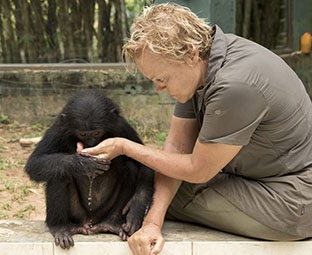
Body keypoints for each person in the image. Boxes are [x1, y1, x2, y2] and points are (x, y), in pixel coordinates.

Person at [81, 3, 312, 255]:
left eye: (162, 79)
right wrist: (152, 224)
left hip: (293, 200)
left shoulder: (234, 85)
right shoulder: (205, 63)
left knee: (136, 189)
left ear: (190, 53)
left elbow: (197, 170)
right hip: (256, 178)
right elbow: (177, 147)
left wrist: (125, 147)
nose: (158, 88)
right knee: (153, 184)